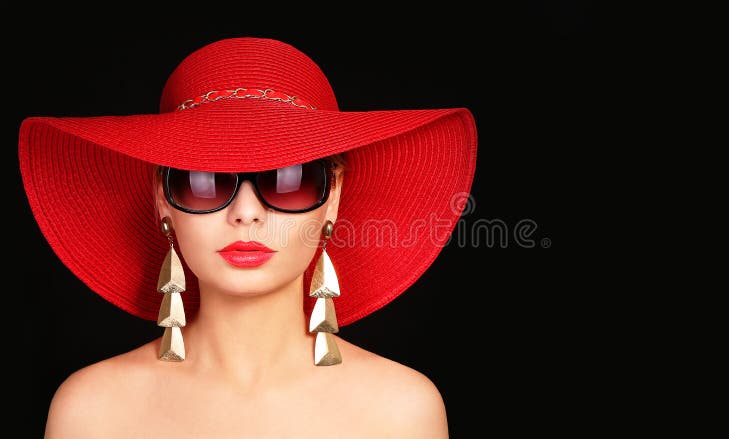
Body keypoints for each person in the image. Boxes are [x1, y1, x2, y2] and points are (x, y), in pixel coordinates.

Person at [20, 37, 477, 438]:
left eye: (288, 181)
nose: (246, 213)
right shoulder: (91, 411)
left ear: (333, 198)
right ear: (162, 200)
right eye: (205, 180)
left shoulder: (401, 412)